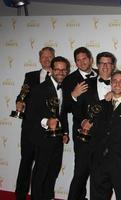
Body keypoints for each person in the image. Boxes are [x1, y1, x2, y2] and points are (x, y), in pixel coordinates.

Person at [78, 71, 121, 200]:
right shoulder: (101, 105)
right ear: (111, 83)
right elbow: (95, 131)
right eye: (114, 81)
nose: (117, 84)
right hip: (99, 162)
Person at [24, 56, 70, 200]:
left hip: (57, 138)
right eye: (57, 69)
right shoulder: (39, 89)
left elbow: (61, 114)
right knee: (40, 173)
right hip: (42, 138)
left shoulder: (65, 88)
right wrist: (46, 121)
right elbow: (30, 115)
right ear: (50, 70)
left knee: (53, 172)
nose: (60, 72)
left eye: (63, 70)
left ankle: (48, 197)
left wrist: (65, 132)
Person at [14, 46, 55, 200]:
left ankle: (42, 196)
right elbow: (22, 94)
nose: (46, 59)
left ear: (53, 58)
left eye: (49, 56)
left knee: (45, 166)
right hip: (30, 128)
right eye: (43, 57)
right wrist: (19, 102)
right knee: (25, 162)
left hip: (49, 130)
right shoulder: (30, 76)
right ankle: (20, 195)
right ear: (39, 59)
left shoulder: (59, 76)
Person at [63, 47, 97, 200]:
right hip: (82, 132)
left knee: (98, 173)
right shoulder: (70, 80)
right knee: (81, 173)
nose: (82, 62)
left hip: (102, 133)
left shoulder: (101, 73)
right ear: (75, 62)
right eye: (78, 60)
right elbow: (65, 108)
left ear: (90, 59)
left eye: (85, 58)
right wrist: (73, 95)